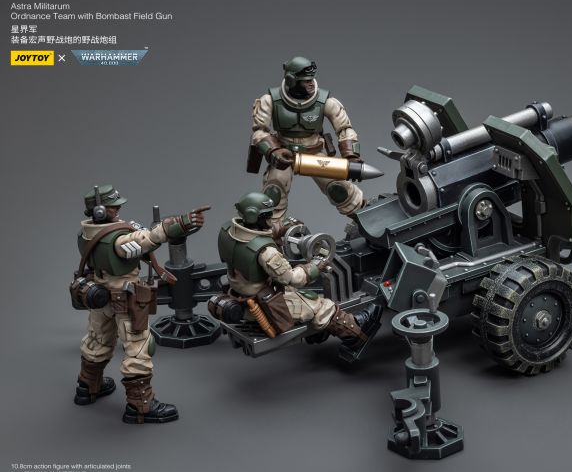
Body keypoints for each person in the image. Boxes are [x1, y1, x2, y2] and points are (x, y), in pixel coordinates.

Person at [72, 184, 209, 424]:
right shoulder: (117, 240)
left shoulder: (87, 234)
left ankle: (87, 387)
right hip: (124, 301)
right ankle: (140, 406)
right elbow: (148, 239)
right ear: (99, 211)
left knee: (97, 340)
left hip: (99, 296)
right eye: (112, 207)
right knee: (138, 348)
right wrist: (181, 223)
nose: (118, 210)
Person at [217, 192, 381, 355]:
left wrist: (282, 228)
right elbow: (293, 279)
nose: (270, 220)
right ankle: (356, 334)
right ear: (254, 216)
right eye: (266, 216)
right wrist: (315, 265)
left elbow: (253, 237)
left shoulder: (227, 232)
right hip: (262, 305)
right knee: (321, 306)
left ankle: (319, 333)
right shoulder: (267, 252)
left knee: (302, 296)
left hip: (239, 295)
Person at [250, 56, 365, 226]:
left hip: (314, 153)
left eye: (311, 79)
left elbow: (345, 129)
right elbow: (259, 131)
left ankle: (365, 217)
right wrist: (273, 150)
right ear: (291, 80)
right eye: (306, 81)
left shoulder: (326, 101)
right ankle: (274, 232)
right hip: (284, 155)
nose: (311, 83)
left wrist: (351, 155)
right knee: (273, 193)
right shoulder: (270, 100)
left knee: (339, 189)